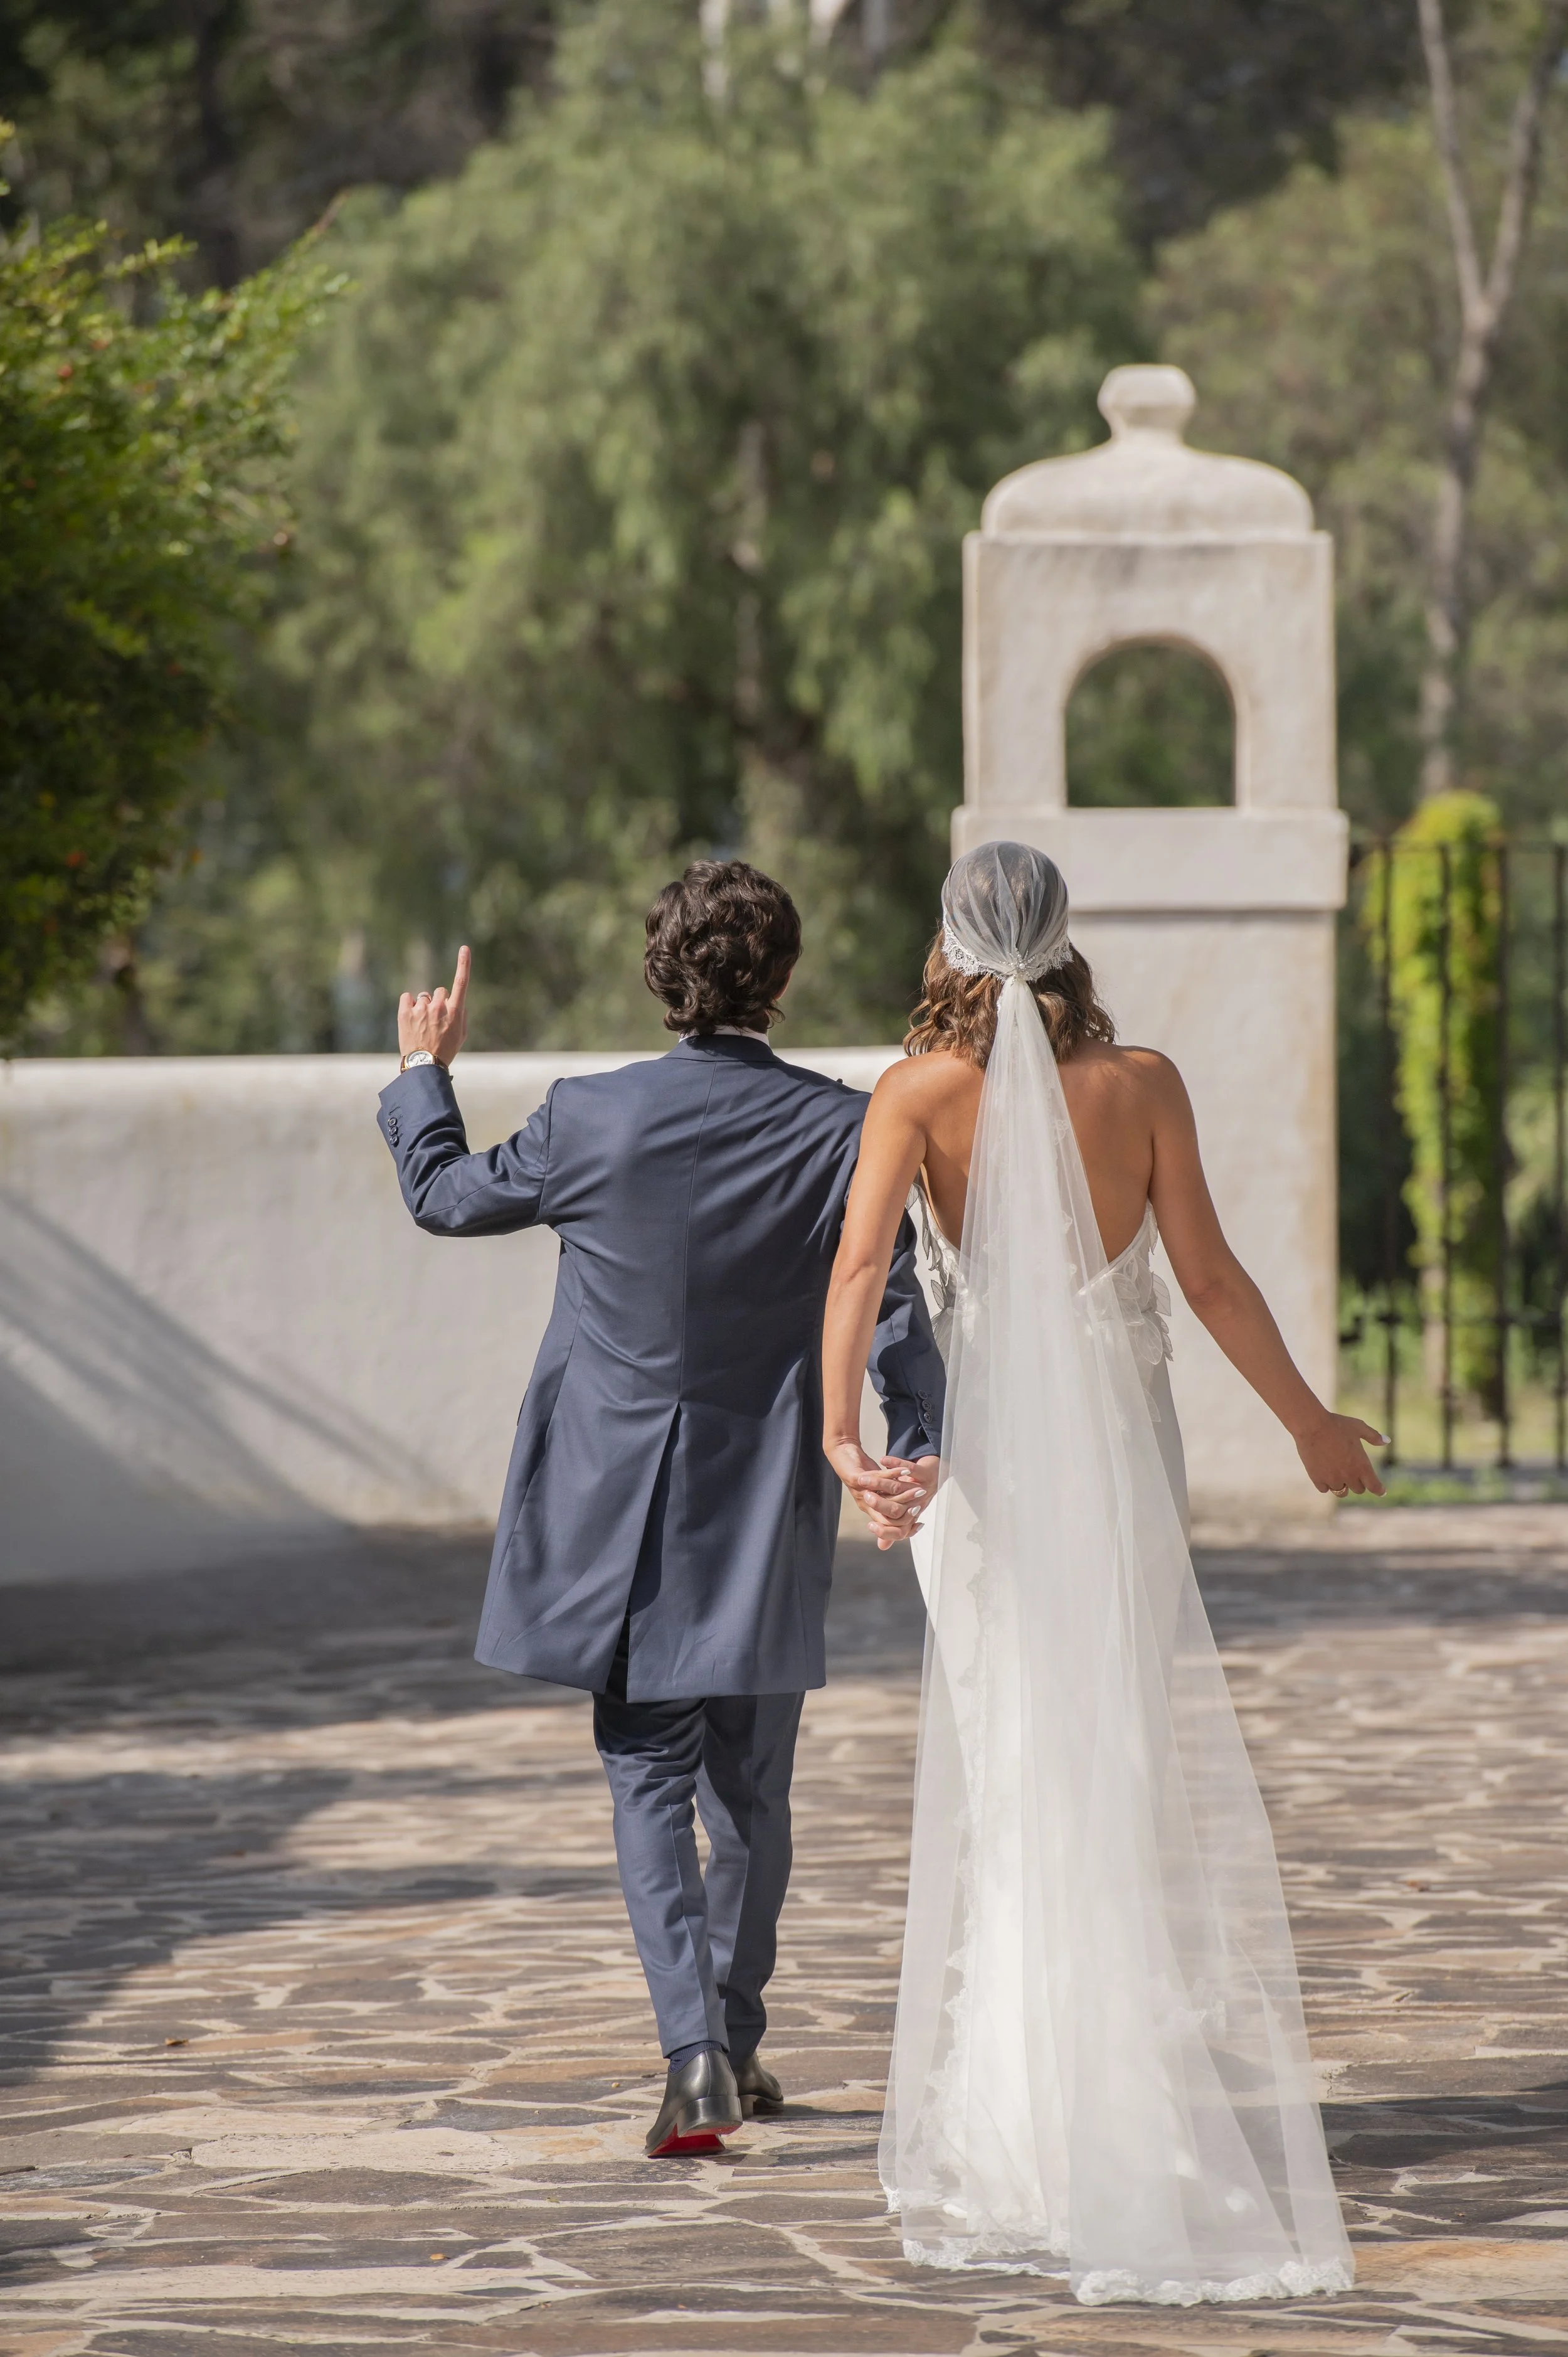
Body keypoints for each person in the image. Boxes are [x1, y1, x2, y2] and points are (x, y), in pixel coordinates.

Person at [820, 841, 1381, 2307]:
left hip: (986, 1486)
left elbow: (855, 1273)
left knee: (1015, 1771)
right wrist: (1309, 1422)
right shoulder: (1140, 1085)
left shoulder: (915, 1096)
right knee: (1105, 1760)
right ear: (1066, 941)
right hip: (1128, 1477)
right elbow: (1204, 1280)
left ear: (945, 943)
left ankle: (1026, 2122)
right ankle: (1114, 2103)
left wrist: (838, 1438)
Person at [378, 861, 943, 2158]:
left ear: (659, 978)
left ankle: (693, 2060)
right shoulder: (843, 1129)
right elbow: (891, 1304)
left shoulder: (590, 1117)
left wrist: (424, 1074)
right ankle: (731, 2046)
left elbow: (445, 1197)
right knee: (753, 1790)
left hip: (617, 1513)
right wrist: (915, 1445)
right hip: (764, 1500)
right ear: (782, 981)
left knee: (647, 1777)